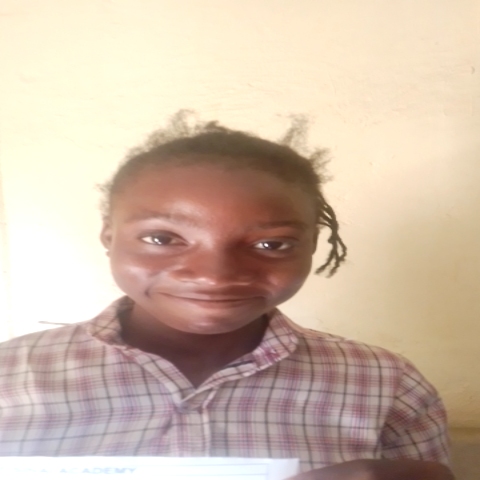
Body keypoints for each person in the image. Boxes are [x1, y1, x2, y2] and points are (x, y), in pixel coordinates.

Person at [0, 112, 453, 479]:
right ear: (109, 237)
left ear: (312, 246)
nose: (214, 276)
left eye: (270, 244)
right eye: (162, 238)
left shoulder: (386, 383)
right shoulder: (10, 376)